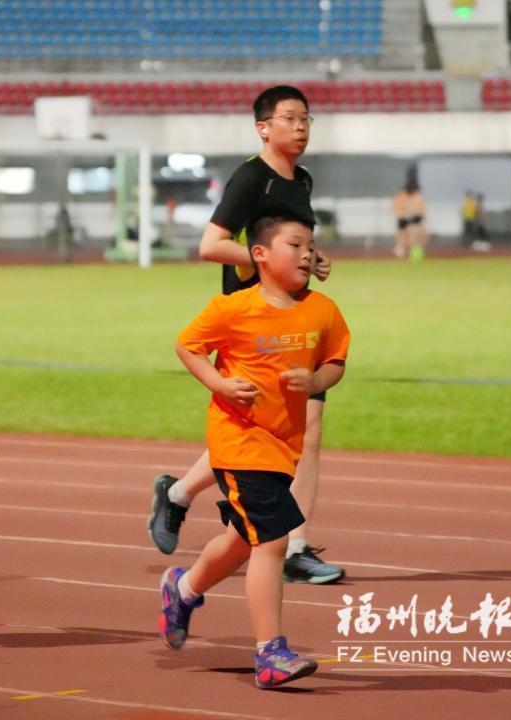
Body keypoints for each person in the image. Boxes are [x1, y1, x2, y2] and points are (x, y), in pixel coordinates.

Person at [148, 84, 344, 585]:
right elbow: (211, 245)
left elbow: (291, 238)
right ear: (264, 127)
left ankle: (280, 537)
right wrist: (268, 260)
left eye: (306, 120)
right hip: (252, 320)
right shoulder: (249, 179)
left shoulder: (301, 179)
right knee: (257, 430)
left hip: (294, 317)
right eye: (289, 119)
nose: (300, 128)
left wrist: (309, 256)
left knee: (299, 429)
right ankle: (279, 539)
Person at [160, 207, 350, 689]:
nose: (307, 254)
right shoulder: (234, 309)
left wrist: (315, 381)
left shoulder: (322, 310)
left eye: (311, 246)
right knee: (273, 539)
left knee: (245, 540)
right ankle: (271, 653)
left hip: (280, 446)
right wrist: (220, 385)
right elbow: (187, 344)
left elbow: (336, 362)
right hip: (238, 442)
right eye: (295, 245)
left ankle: (183, 589)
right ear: (260, 255)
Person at [391, 179, 427, 260]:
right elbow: (396, 209)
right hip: (403, 221)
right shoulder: (400, 197)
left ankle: (415, 255)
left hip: (415, 222)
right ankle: (400, 256)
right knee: (401, 240)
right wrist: (403, 215)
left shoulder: (418, 197)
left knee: (415, 239)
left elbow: (420, 211)